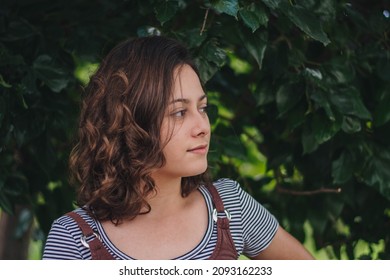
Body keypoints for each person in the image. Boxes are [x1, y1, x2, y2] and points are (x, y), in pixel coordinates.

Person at [42, 36, 314, 260]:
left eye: (202, 108)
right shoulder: (74, 239)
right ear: (131, 122)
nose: (203, 126)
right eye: (179, 112)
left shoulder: (230, 208)